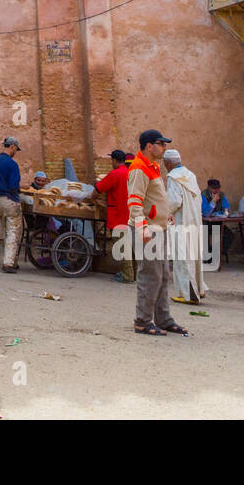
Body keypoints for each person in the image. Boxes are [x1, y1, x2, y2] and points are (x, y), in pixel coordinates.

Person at [129, 130, 187, 336]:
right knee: (150, 276)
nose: (164, 148)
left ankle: (163, 319)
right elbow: (134, 201)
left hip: (158, 227)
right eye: (161, 144)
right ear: (149, 146)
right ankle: (142, 321)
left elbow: (152, 198)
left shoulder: (151, 166)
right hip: (148, 230)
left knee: (162, 275)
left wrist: (164, 214)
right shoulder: (139, 168)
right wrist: (142, 226)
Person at [163, 148, 206, 303]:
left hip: (181, 221)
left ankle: (189, 294)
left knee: (182, 257)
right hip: (194, 220)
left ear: (167, 163)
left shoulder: (173, 178)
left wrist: (164, 212)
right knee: (194, 256)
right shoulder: (191, 175)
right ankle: (199, 289)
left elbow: (174, 201)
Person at [97, 150, 134, 283]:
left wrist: (89, 197)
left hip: (118, 216)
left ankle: (127, 276)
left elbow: (99, 188)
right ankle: (132, 273)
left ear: (114, 160)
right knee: (130, 247)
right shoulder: (130, 173)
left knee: (122, 247)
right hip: (131, 215)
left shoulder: (115, 174)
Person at [0, 137, 23, 273]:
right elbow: (14, 185)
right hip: (10, 199)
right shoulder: (12, 164)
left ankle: (12, 260)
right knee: (14, 232)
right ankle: (8, 263)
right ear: (12, 146)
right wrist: (18, 191)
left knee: (6, 230)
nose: (15, 152)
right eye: (16, 149)